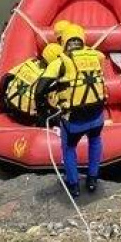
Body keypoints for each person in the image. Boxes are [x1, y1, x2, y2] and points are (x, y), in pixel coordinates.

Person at [35, 21, 107, 197]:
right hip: (97, 115)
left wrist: (43, 112)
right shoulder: (96, 56)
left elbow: (40, 90)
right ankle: (92, 180)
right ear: (83, 39)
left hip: (74, 120)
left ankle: (73, 185)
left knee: (68, 149)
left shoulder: (60, 62)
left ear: (63, 42)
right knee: (95, 141)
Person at [0, 43, 64, 126]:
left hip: (9, 106)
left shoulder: (30, 62)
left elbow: (5, 78)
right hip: (26, 117)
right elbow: (52, 104)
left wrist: (2, 102)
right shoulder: (48, 79)